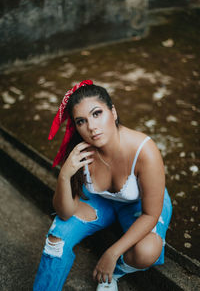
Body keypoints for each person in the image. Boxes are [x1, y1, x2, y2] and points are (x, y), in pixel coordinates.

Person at [33, 80, 172, 291]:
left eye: (97, 113)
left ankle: (112, 274)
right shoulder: (81, 154)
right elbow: (64, 213)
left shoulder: (145, 151)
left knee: (147, 251)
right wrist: (64, 175)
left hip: (138, 206)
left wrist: (112, 253)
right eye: (81, 121)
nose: (91, 127)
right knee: (55, 241)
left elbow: (150, 214)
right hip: (100, 201)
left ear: (113, 112)